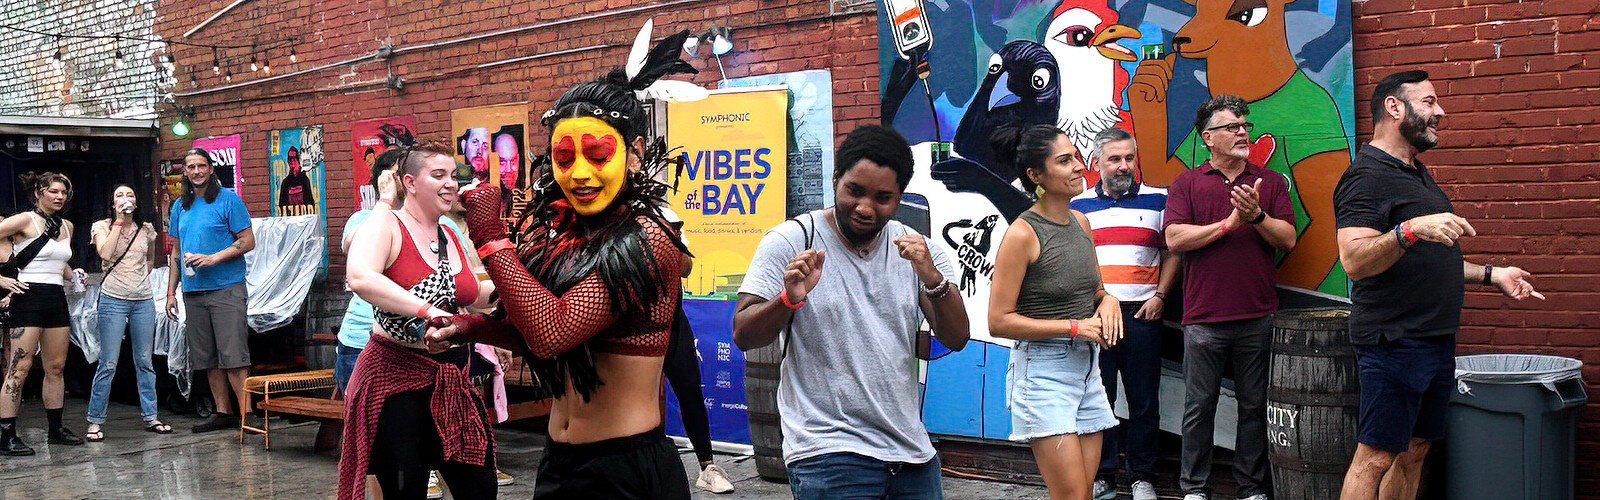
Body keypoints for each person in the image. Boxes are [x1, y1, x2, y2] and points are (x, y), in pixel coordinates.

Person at [426, 24, 705, 498]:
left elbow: (553, 332)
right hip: (559, 464)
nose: (579, 173)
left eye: (598, 154)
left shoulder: (649, 239)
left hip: (627, 471)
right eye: (564, 155)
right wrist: (473, 328)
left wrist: (492, 238)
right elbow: (536, 332)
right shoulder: (560, 234)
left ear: (634, 153)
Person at [1335, 70, 1544, 500]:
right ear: (1395, 108)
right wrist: (1409, 230)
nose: (1440, 111)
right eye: (1428, 102)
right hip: (1393, 339)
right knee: (1375, 456)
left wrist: (1492, 274)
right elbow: (1354, 259)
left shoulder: (1415, 173)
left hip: (1433, 338)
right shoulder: (1367, 176)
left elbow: (1431, 256)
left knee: (1415, 449)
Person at [732, 125, 971, 499]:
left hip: (912, 454)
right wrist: (788, 299)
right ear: (835, 179)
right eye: (854, 191)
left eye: (882, 198)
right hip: (828, 453)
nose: (865, 207)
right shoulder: (793, 240)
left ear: (899, 198)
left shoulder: (917, 251)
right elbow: (744, 334)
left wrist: (933, 279)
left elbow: (956, 338)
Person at [340, 142, 498, 499]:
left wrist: (526, 292)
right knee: (404, 490)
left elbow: (473, 296)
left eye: (453, 176)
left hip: (452, 377)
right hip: (397, 380)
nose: (451, 184)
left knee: (480, 486)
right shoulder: (387, 225)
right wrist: (428, 311)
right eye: (438, 175)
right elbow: (361, 277)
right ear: (409, 182)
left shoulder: (450, 234)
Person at [1163, 95, 1296, 500]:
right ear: (1208, 138)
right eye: (1232, 127)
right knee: (1198, 408)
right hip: (1203, 318)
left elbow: (1287, 240)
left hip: (1257, 316)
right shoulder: (1187, 183)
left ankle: (1251, 488)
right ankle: (1194, 489)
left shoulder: (1268, 183)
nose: (1242, 132)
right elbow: (1174, 238)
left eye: (1245, 126)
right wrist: (1227, 225)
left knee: (1254, 407)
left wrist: (1256, 217)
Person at [987, 124, 1122, 500]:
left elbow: (1095, 290)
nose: (1080, 166)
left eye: (1076, 156)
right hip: (1043, 374)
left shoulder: (1081, 222)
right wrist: (1075, 327)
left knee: (1085, 495)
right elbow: (999, 321)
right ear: (1035, 175)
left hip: (1087, 369)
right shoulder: (1023, 234)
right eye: (1065, 161)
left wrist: (1108, 300)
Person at [1070, 127, 1177, 500]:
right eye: (1114, 159)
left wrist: (1161, 295)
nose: (1123, 166)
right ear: (1096, 163)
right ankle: (1103, 474)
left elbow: (1171, 252)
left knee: (1144, 398)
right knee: (1099, 397)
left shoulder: (1159, 201)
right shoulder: (1077, 206)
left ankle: (1142, 476)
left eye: (1129, 158)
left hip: (1143, 313)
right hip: (1097, 316)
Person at [167, 148, 257, 434]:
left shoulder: (228, 199)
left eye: (201, 166)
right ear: (185, 171)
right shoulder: (180, 205)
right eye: (190, 166)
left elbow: (248, 240)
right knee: (206, 357)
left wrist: (214, 258)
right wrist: (171, 292)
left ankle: (247, 413)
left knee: (233, 354)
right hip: (193, 291)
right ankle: (223, 412)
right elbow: (176, 252)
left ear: (211, 169)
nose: (196, 171)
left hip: (226, 288)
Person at [0, 172, 87, 455]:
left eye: (63, 192)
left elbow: (59, 262)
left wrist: (74, 275)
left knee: (56, 367)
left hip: (55, 298)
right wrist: (1, 280)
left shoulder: (67, 226)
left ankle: (56, 428)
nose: (59, 196)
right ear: (39, 192)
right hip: (27, 296)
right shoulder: (25, 220)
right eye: (53, 191)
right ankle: (7, 434)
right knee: (19, 368)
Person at [85, 185, 171, 441]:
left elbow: (150, 260)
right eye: (120, 196)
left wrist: (139, 280)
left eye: (130, 195)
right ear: (112, 204)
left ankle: (151, 415)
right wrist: (119, 222)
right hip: (112, 299)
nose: (126, 199)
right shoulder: (102, 226)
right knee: (108, 362)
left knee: (144, 361)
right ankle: (95, 420)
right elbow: (106, 253)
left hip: (143, 300)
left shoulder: (146, 229)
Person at [659, 208, 735, 494]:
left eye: (636, 161)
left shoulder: (664, 214)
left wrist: (667, 240)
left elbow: (687, 267)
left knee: (690, 388)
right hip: (632, 323)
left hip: (672, 320)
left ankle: (707, 467)